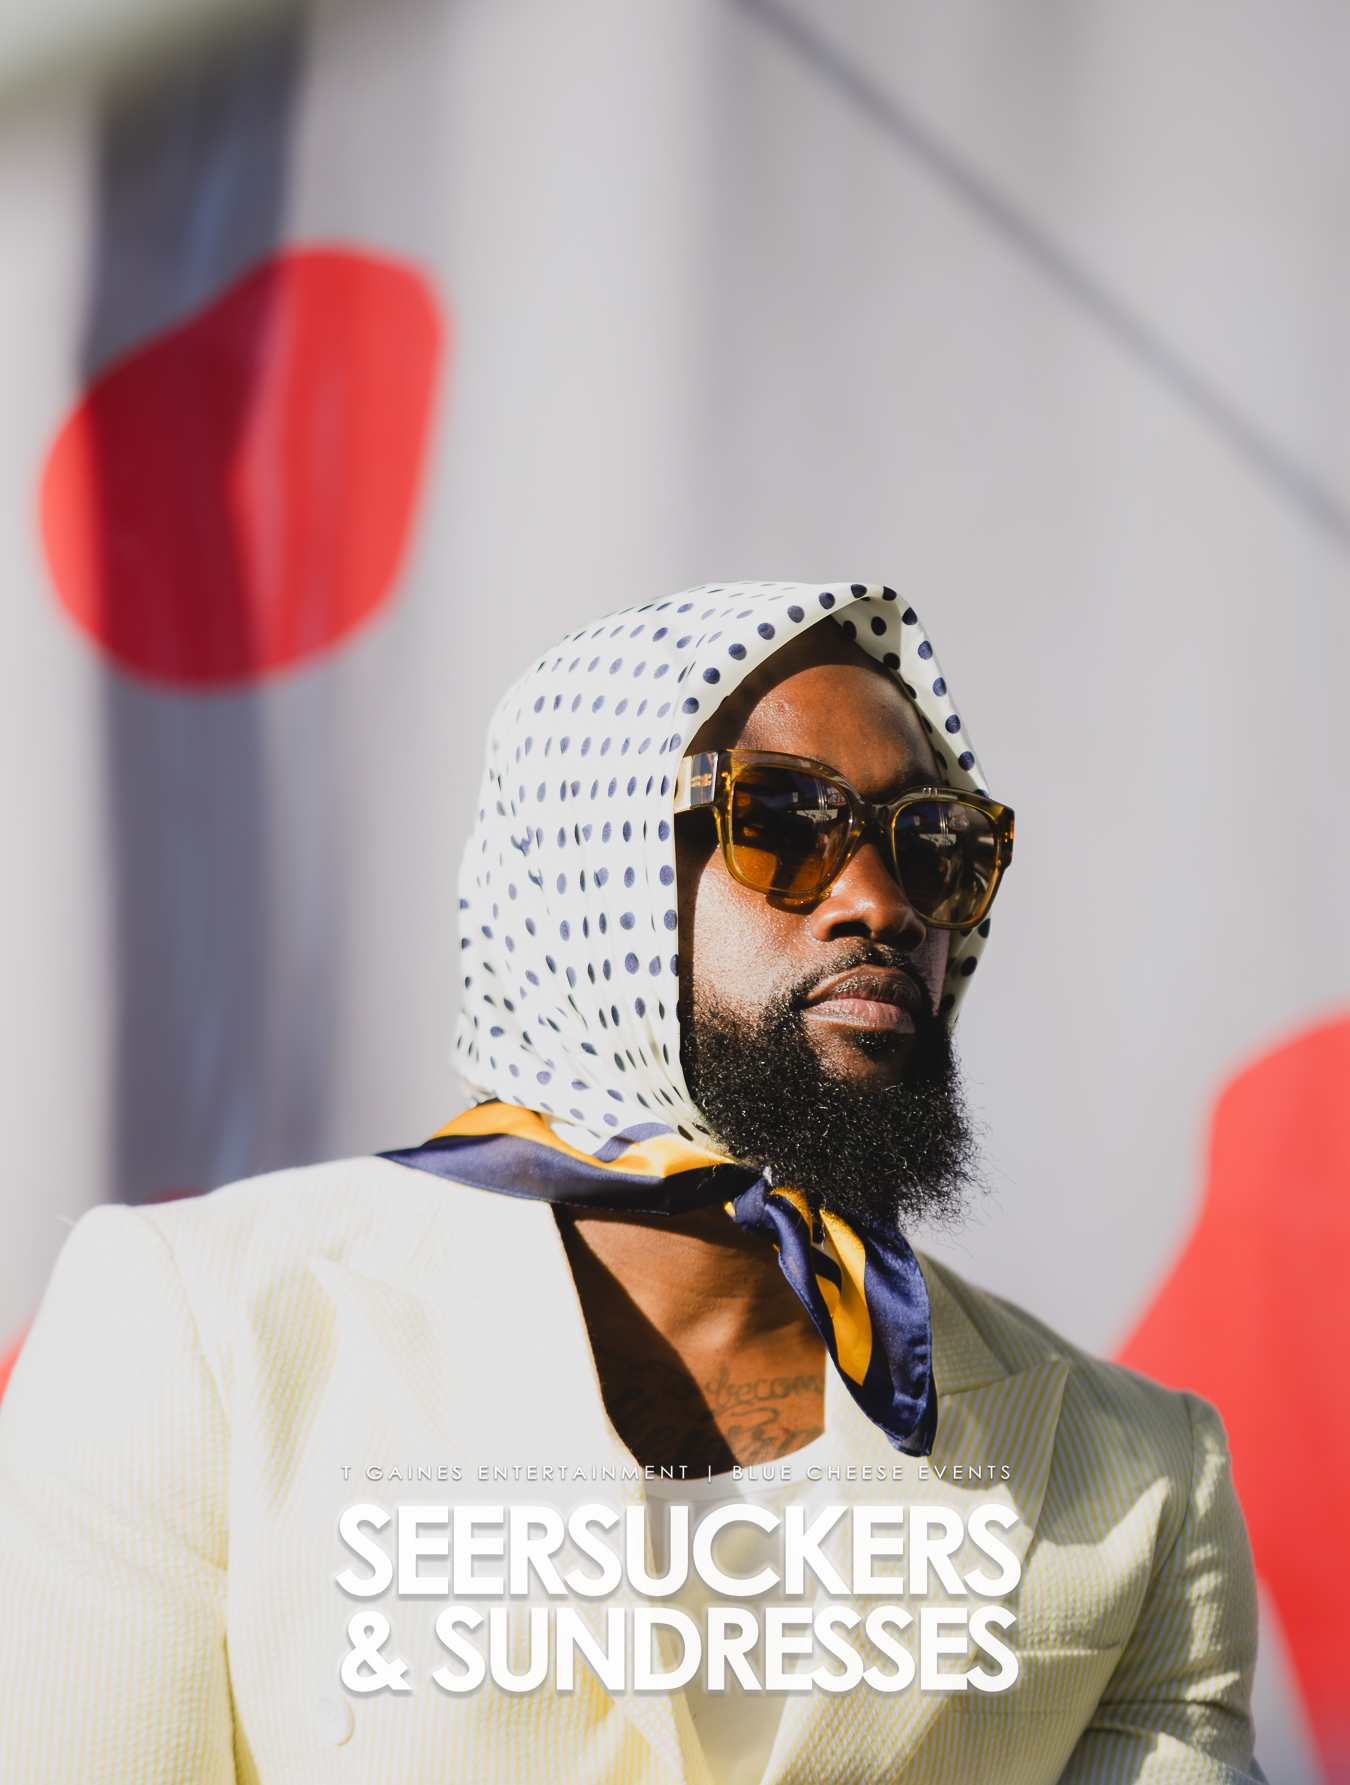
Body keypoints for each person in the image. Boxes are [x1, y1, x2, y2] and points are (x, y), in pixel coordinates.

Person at [0, 578, 1259, 1784]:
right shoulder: (196, 1332)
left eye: (932, 845)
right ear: (585, 868)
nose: (882, 905)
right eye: (785, 821)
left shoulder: (1143, 1476)